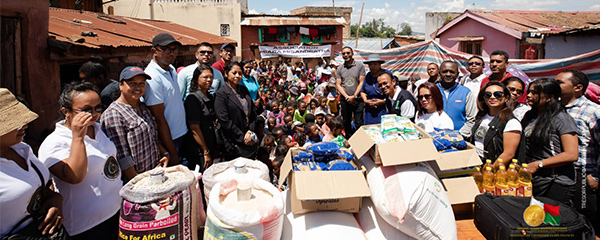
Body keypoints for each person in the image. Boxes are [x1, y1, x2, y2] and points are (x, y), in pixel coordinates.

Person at [39, 82, 122, 239]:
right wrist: (78, 137)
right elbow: (74, 176)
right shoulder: (54, 143)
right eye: (86, 110)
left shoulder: (97, 129)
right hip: (86, 226)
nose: (94, 114)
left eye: (98, 108)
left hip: (115, 212)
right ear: (66, 112)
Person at [0, 89, 64, 238]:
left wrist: (55, 199)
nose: (24, 126)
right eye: (15, 123)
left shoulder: (22, 149)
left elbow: (34, 186)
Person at [100, 67, 168, 182]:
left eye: (142, 83)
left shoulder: (142, 106)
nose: (138, 88)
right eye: (132, 84)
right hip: (138, 181)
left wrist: (164, 153)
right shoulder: (114, 114)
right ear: (121, 85)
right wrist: (137, 181)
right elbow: (122, 156)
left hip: (153, 173)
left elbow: (152, 136)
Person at [520, 78, 578, 204]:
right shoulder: (530, 116)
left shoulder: (561, 119)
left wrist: (538, 164)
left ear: (550, 97)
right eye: (528, 92)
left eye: (534, 93)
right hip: (535, 179)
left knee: (551, 220)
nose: (529, 95)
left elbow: (571, 154)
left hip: (555, 182)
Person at [556, 69, 600, 230]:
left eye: (560, 82)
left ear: (578, 87)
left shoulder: (593, 111)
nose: (554, 84)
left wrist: (595, 177)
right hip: (559, 176)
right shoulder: (554, 109)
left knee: (586, 223)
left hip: (583, 177)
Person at [143, 33, 186, 166]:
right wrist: (172, 153)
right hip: (169, 139)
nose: (172, 53)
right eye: (167, 49)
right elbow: (159, 119)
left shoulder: (171, 69)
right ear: (154, 51)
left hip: (181, 133)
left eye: (174, 49)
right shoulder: (152, 77)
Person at [215, 61, 258, 160]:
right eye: (234, 73)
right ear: (226, 74)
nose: (237, 76)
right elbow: (225, 120)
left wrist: (250, 131)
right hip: (232, 141)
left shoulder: (244, 90)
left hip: (248, 136)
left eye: (240, 73)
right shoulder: (221, 94)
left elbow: (252, 112)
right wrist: (242, 137)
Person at [181, 64, 219, 172]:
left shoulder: (210, 96)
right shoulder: (192, 99)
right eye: (205, 77)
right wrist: (205, 151)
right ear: (196, 79)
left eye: (211, 77)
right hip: (199, 149)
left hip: (210, 144)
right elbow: (195, 129)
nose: (209, 80)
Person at [471, 82, 521, 161]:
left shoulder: (511, 123)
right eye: (488, 94)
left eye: (497, 94)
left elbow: (508, 155)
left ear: (506, 98)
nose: (492, 97)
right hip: (476, 164)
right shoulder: (480, 117)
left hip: (493, 168)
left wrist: (489, 170)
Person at [437, 61, 477, 138]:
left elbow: (472, 119)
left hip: (460, 140)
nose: (448, 74)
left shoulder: (466, 92)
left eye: (452, 72)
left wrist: (459, 135)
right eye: (444, 71)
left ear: (458, 74)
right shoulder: (432, 91)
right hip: (435, 139)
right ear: (439, 73)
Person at [336, 46, 366, 138]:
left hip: (358, 99)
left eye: (348, 53)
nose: (346, 55)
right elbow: (338, 84)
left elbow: (361, 82)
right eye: (344, 53)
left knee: (359, 122)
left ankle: (359, 141)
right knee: (346, 121)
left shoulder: (360, 66)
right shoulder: (340, 68)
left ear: (352, 54)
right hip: (345, 99)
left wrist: (354, 96)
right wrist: (347, 97)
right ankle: (349, 140)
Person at [361, 54, 389, 125]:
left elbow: (393, 91)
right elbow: (362, 91)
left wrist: (383, 101)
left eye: (375, 64)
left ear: (380, 64)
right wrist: (366, 101)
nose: (372, 66)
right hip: (369, 111)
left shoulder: (387, 75)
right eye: (370, 65)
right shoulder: (368, 76)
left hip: (383, 109)